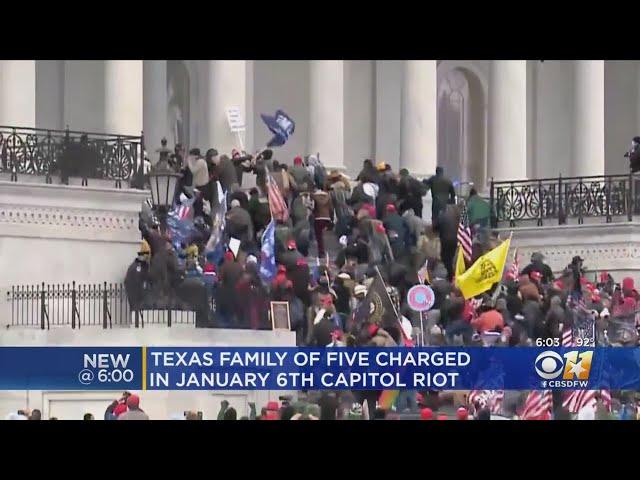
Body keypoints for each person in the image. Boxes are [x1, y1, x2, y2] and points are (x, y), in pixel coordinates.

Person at [312, 187, 334, 258]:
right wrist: (331, 218)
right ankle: (328, 251)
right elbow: (331, 208)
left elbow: (313, 208)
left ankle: (321, 253)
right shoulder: (328, 197)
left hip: (318, 218)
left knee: (319, 236)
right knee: (325, 234)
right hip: (327, 218)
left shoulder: (314, 196)